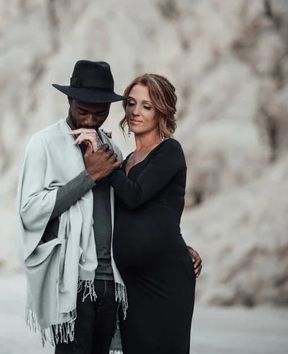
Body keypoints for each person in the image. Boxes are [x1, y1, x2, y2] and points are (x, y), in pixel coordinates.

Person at [16, 61, 202, 354]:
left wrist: (175, 244)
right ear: (69, 100)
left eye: (100, 113)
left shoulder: (113, 151)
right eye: (83, 111)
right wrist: (88, 176)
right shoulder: (44, 144)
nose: (90, 120)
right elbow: (29, 210)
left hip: (114, 285)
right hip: (73, 282)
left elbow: (133, 208)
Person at [88, 73, 197, 353]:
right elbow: (144, 215)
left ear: (162, 111)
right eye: (131, 103)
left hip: (165, 278)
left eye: (146, 106)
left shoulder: (170, 151)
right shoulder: (125, 161)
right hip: (131, 281)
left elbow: (136, 196)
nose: (136, 112)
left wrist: (104, 159)